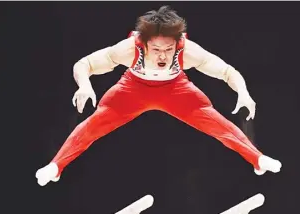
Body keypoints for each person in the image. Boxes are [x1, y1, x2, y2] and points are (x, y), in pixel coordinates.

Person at [36, 6, 282, 186]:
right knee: (94, 125)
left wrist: (244, 93)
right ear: (143, 44)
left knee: (216, 124)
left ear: (178, 43)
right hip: (132, 90)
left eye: (169, 49)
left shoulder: (189, 51)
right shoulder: (128, 49)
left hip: (176, 90)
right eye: (156, 50)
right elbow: (85, 64)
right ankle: (56, 166)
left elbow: (227, 71)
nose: (163, 56)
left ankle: (257, 160)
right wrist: (85, 85)